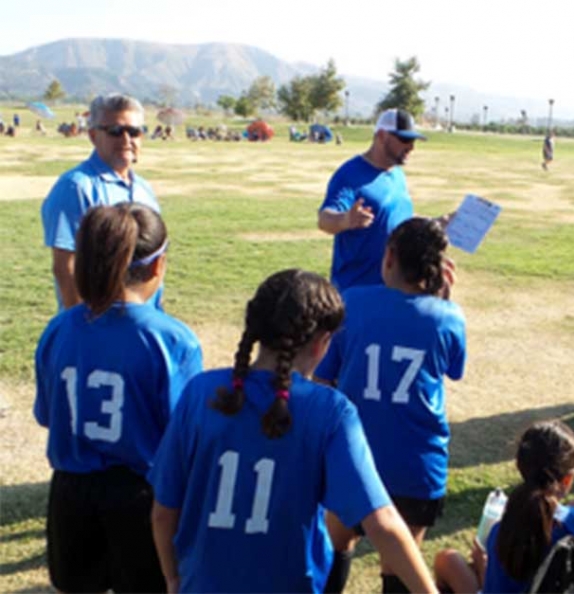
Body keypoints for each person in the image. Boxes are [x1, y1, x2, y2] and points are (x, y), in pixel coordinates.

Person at [149, 269, 437, 593]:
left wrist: (173, 577)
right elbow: (382, 522)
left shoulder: (200, 393)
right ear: (322, 343)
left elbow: (163, 511)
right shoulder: (330, 412)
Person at [33, 203, 203, 594]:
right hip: (141, 497)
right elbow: (183, 441)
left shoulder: (59, 329)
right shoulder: (171, 340)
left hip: (70, 494)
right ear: (158, 267)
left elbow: (47, 415)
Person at [315, 217, 465, 593]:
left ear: (389, 257)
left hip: (353, 453)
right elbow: (454, 367)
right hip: (417, 462)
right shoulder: (448, 316)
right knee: (400, 559)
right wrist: (442, 300)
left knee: (336, 543)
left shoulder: (352, 301)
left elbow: (325, 375)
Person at [433, 420, 574, 593]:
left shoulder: (501, 531)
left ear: (520, 466)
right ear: (567, 480)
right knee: (449, 560)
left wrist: (484, 567)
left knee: (448, 560)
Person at [41, 93, 158, 311]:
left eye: (134, 131)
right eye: (115, 131)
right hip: (98, 325)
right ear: (93, 135)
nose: (126, 140)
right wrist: (84, 327)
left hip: (143, 321)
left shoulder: (143, 189)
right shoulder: (76, 188)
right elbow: (65, 266)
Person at [318, 108, 424, 292]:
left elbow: (399, 218)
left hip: (393, 291)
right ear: (382, 135)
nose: (411, 147)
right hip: (356, 294)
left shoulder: (397, 173)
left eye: (413, 140)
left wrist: (437, 223)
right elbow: (324, 219)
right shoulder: (350, 174)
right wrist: (345, 220)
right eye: (405, 139)